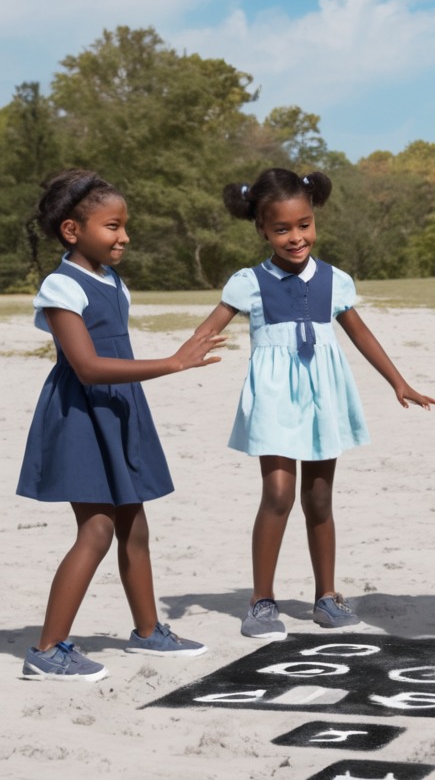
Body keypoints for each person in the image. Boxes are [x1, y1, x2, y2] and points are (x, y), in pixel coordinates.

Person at [193, 168, 435, 640]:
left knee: (320, 498)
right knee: (279, 495)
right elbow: (210, 327)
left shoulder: (335, 279)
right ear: (262, 229)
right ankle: (261, 603)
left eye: (303, 224)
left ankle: (326, 598)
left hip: (324, 395)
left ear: (314, 219)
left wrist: (398, 381)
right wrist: (179, 358)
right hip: (275, 398)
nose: (295, 237)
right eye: (281, 228)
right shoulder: (248, 282)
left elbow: (359, 332)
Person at [18, 170, 225, 681]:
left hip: (118, 409)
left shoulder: (112, 280)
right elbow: (86, 366)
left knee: (134, 525)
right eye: (113, 226)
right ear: (72, 230)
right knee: (97, 528)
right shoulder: (61, 284)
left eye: (125, 226)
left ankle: (148, 631)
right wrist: (172, 363)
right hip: (80, 415)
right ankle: (48, 650)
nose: (124, 237)